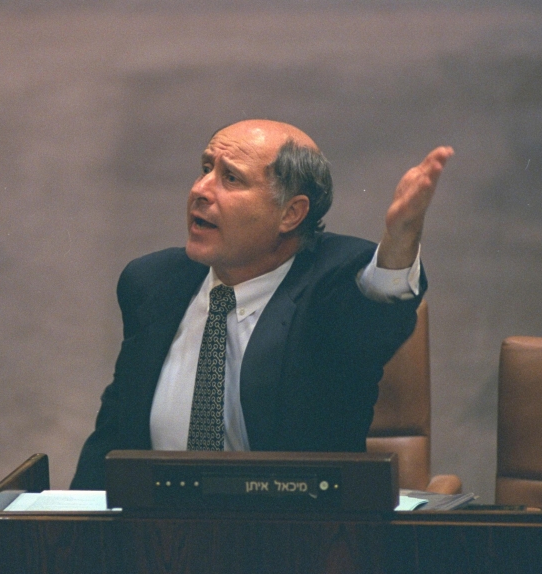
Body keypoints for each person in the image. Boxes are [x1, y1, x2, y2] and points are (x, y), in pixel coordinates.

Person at [70, 119, 452, 490]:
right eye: (205, 169)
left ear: (290, 213)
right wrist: (73, 526)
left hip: (292, 536)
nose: (200, 189)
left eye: (230, 178)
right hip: (160, 537)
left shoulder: (328, 287)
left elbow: (376, 311)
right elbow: (115, 434)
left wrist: (401, 238)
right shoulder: (153, 283)